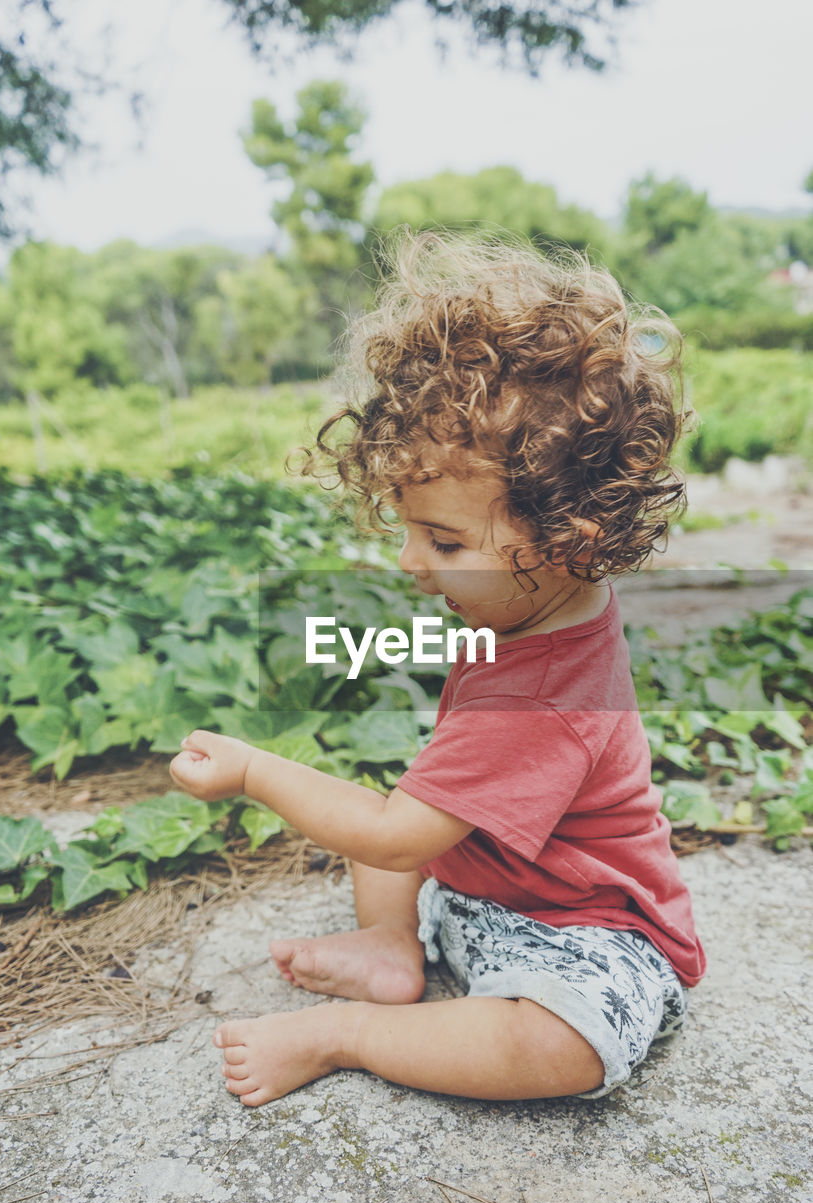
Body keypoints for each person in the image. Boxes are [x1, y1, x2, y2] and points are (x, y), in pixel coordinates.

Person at [170, 231, 706, 1108]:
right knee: (397, 806)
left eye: (445, 540)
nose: (412, 561)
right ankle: (392, 946)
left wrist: (255, 770)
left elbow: (391, 837)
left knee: (562, 1047)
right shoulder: (542, 605)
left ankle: (352, 1034)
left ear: (566, 536)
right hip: (477, 886)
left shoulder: (543, 694)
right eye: (412, 529)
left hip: (584, 932)